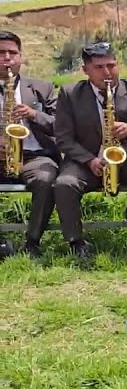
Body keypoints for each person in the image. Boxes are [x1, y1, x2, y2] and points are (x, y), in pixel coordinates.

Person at [53, 42, 127, 257]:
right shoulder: (70, 93)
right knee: (65, 183)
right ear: (85, 70)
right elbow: (63, 138)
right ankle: (75, 242)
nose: (107, 72)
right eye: (99, 67)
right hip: (86, 163)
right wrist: (89, 160)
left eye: (111, 65)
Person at [0, 30, 58, 259]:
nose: (7, 58)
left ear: (21, 57)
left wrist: (34, 114)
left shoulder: (42, 88)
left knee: (46, 179)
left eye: (12, 53)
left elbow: (61, 125)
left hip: (34, 156)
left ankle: (32, 242)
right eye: (1, 53)